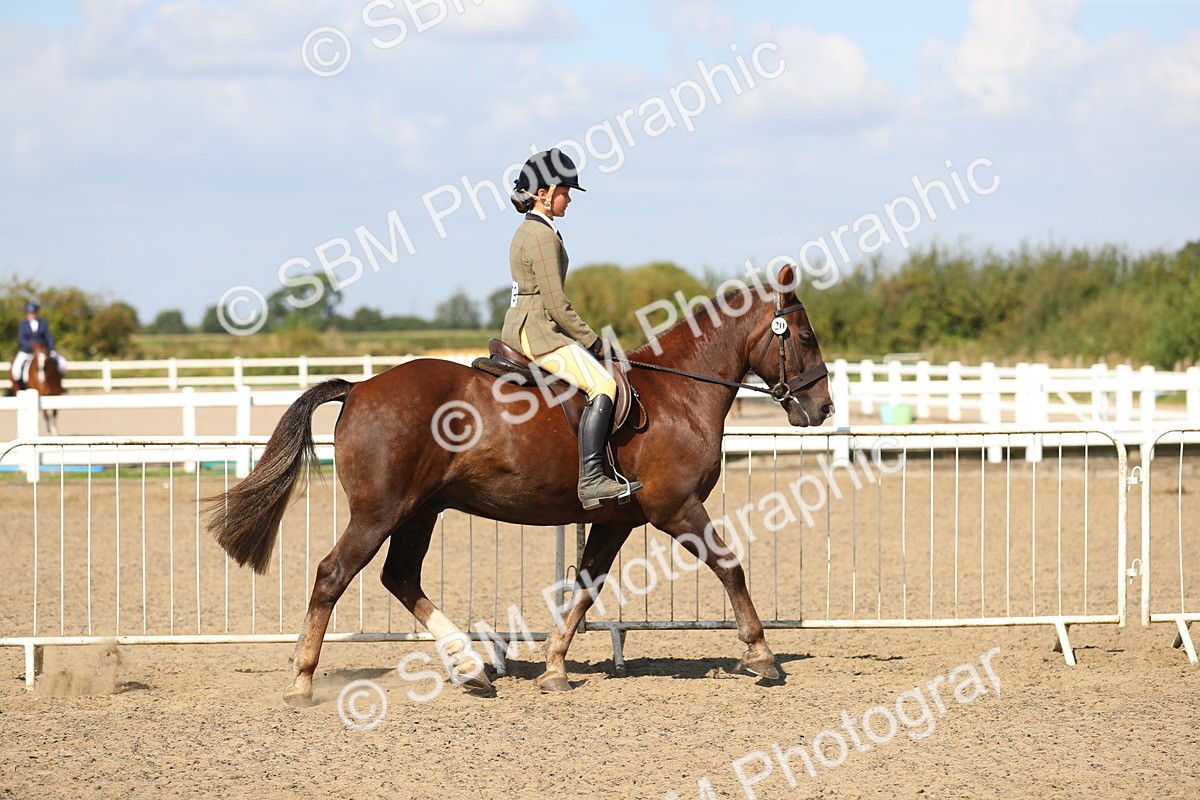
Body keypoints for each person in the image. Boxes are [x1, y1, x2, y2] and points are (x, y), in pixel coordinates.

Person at [501, 148, 643, 509]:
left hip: (525, 324)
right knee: (604, 383)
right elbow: (556, 304)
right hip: (537, 331)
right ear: (545, 193)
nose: (568, 200)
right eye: (565, 192)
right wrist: (594, 342)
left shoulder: (533, 230)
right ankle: (592, 478)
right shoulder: (541, 235)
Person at [11, 302, 67, 389]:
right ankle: (21, 387)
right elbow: (22, 338)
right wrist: (31, 346)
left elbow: (49, 336)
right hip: (28, 351)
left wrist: (50, 347)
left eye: (33, 312)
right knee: (16, 369)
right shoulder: (23, 324)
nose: (32, 314)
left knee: (62, 362)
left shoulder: (43, 323)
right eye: (30, 313)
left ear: (36, 313)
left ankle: (58, 383)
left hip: (44, 350)